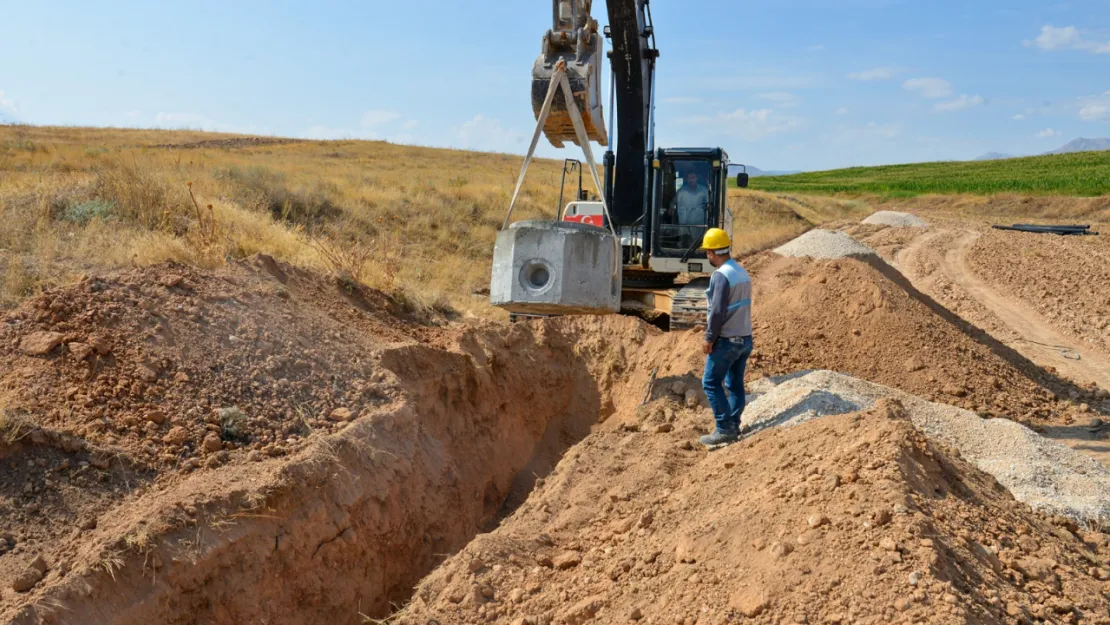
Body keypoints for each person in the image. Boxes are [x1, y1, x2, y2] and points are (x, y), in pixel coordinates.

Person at [696, 227, 753, 448]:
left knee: (710, 382)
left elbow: (718, 311)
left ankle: (724, 429)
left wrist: (709, 338)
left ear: (711, 252)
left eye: (707, 252)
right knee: (735, 383)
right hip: (745, 338)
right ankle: (733, 424)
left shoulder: (721, 276)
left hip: (727, 340)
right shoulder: (741, 271)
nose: (707, 256)